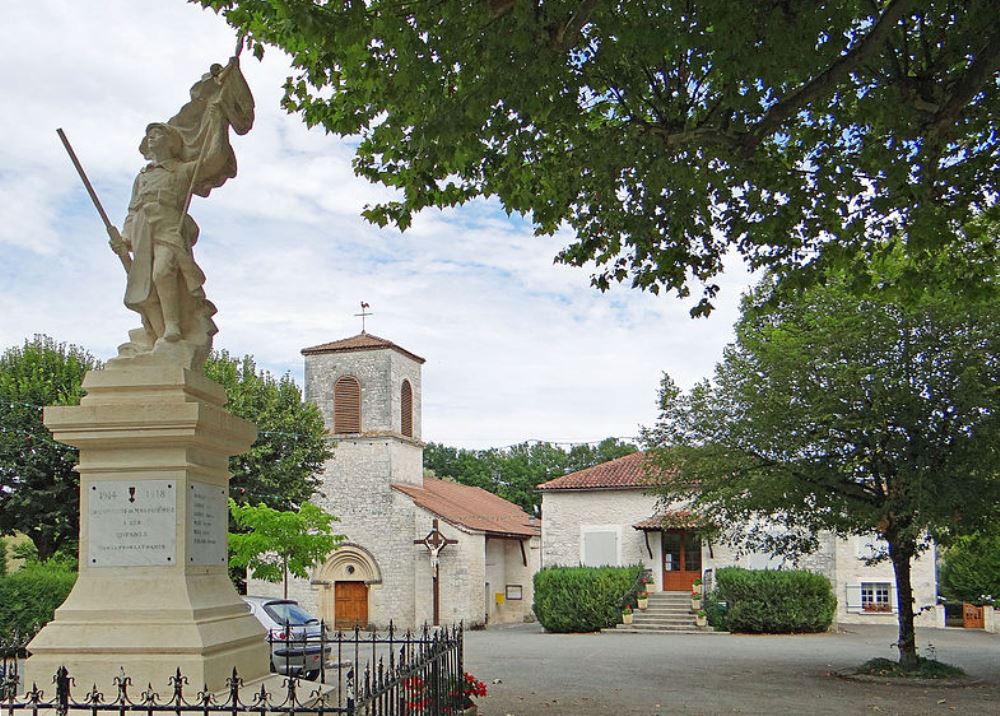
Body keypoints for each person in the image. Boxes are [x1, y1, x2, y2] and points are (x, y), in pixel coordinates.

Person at [107, 56, 253, 368]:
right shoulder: (143, 176)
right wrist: (123, 239)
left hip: (170, 230)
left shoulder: (181, 171)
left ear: (173, 143)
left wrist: (216, 118)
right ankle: (158, 335)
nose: (152, 137)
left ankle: (172, 328)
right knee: (142, 290)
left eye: (158, 133)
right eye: (150, 135)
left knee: (164, 273)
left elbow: (213, 160)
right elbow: (133, 210)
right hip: (144, 232)